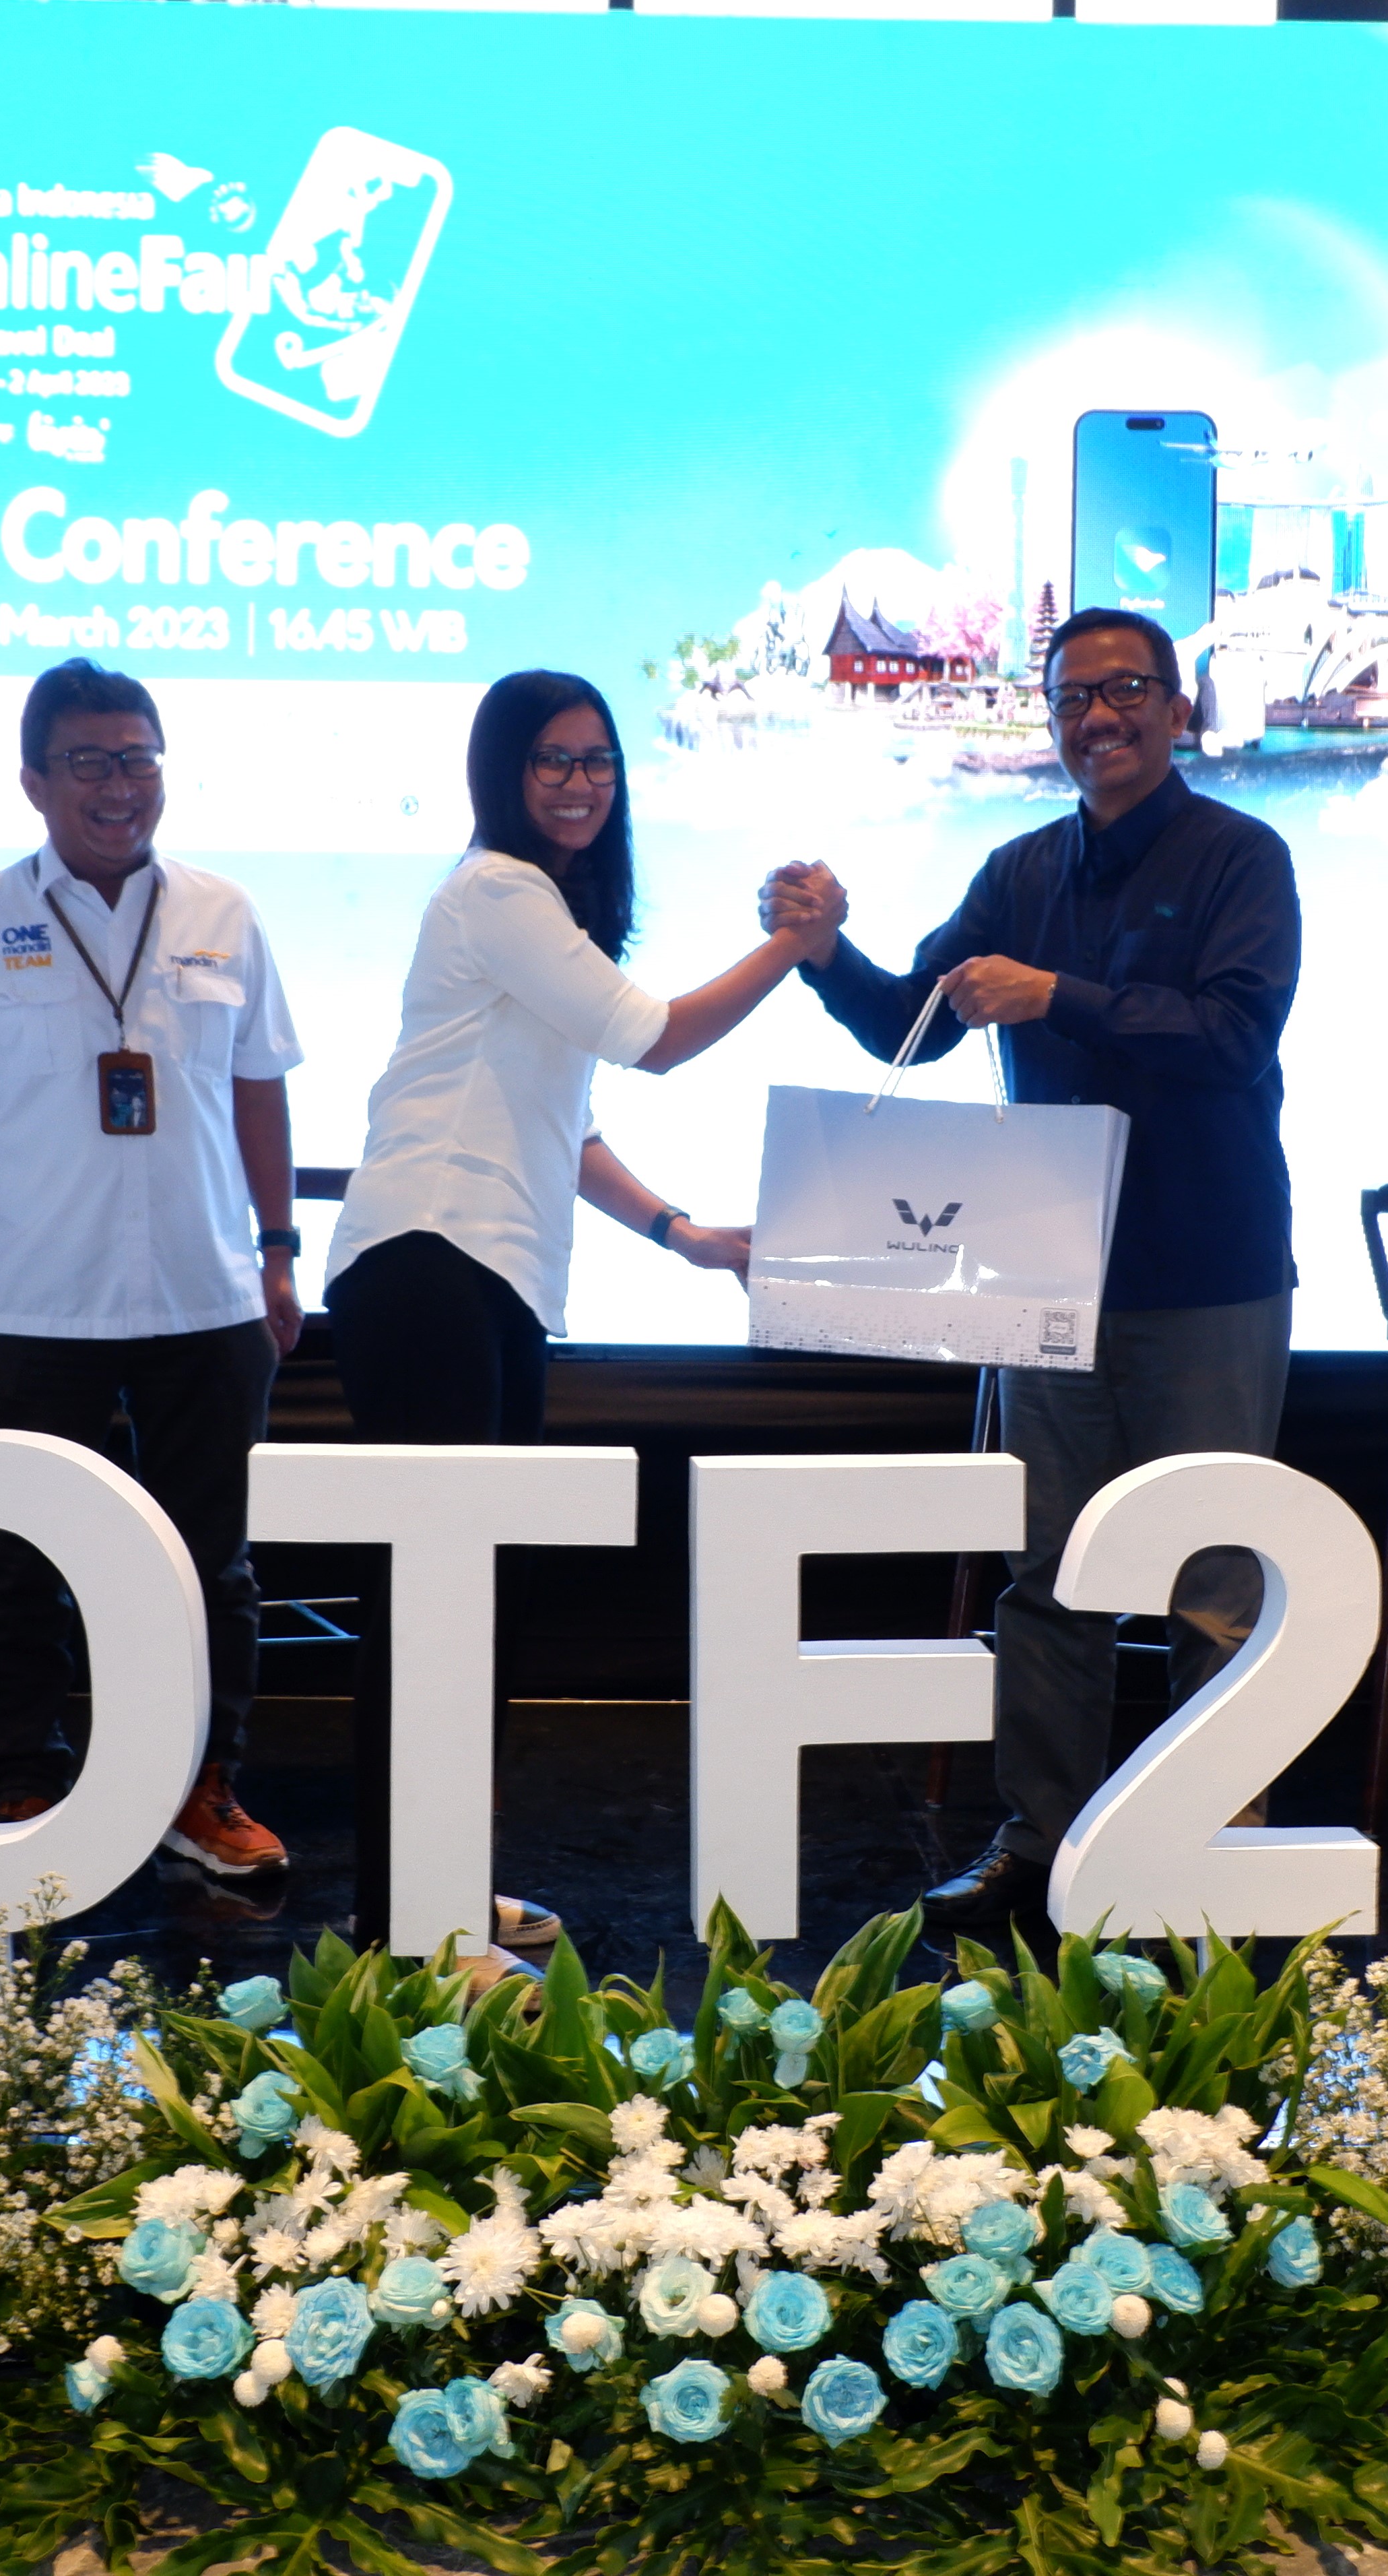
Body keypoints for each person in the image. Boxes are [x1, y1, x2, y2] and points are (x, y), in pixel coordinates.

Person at [769, 606, 1300, 1941]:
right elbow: (912, 1027)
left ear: (1177, 709)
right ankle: (1045, 1844)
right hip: (1045, 1269)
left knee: (1214, 1579)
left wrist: (1056, 994)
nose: (1097, 718)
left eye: (1125, 691)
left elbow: (1232, 1035)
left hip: (1207, 1265)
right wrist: (825, 951)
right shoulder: (1018, 871)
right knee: (1049, 1572)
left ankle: (1210, 1852)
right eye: (1072, 698)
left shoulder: (1243, 856)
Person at [324, 666, 832, 1961]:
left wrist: (683, 1235)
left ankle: (436, 1890)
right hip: (428, 1259)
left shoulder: (540, 910)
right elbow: (655, 1039)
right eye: (552, 759)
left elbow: (572, 1128)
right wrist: (793, 949)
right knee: (434, 1599)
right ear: (505, 773)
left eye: (598, 760)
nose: (579, 781)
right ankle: (404, 1923)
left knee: (474, 1596)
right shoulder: (498, 890)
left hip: (479, 1273)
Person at [0, 657, 306, 1877]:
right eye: (89, 762)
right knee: (17, 1559)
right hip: (32, 1301)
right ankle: (22, 1787)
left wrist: (279, 1253)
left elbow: (261, 1093)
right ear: (35, 781)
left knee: (210, 1564)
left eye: (139, 759)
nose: (120, 785)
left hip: (206, 1294)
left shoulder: (225, 914)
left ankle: (200, 1788)